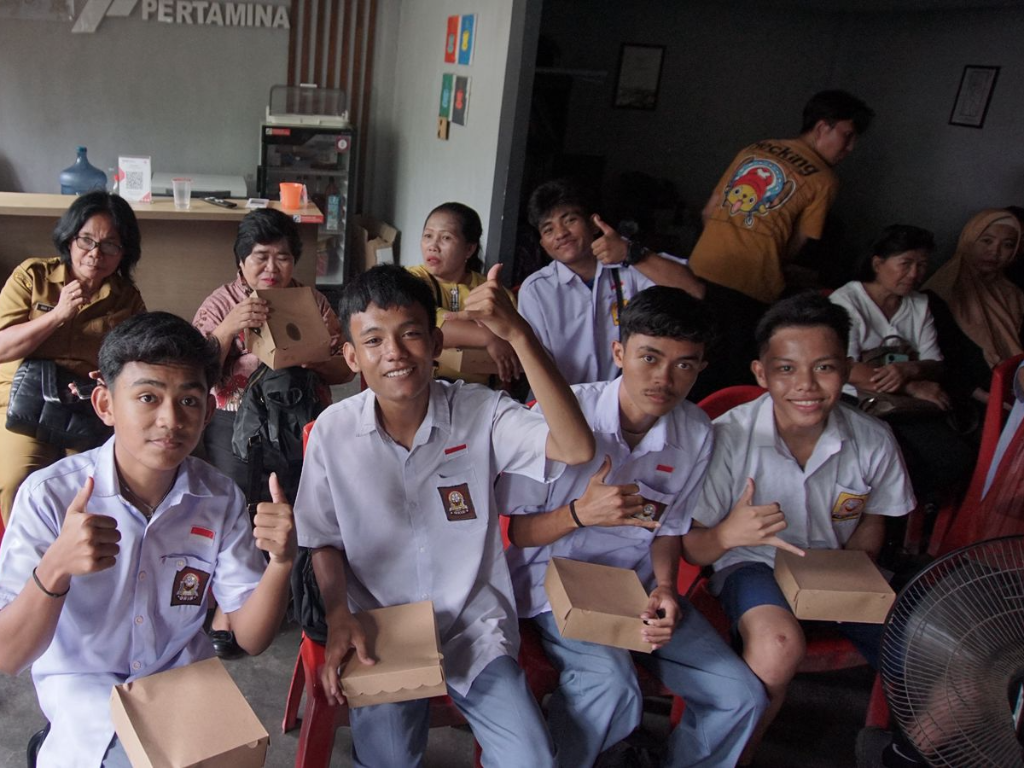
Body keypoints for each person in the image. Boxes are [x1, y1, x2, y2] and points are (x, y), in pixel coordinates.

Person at [293, 264, 595, 767]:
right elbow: (323, 538)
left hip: (471, 623)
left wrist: (518, 334)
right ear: (351, 356)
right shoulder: (333, 432)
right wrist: (339, 613)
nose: (394, 352)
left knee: (532, 758)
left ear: (435, 343)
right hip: (381, 626)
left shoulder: (481, 412)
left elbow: (576, 447)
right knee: (389, 757)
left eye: (410, 334)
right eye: (373, 340)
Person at [0, 312, 296, 767]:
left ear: (208, 411)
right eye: (147, 397)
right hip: (86, 689)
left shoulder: (219, 498)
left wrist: (281, 564)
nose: (170, 420)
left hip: (183, 681)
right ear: (105, 404)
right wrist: (55, 568)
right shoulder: (49, 497)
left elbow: (251, 639)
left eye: (189, 401)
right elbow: (9, 655)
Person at [496, 286, 767, 768]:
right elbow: (516, 532)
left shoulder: (695, 432)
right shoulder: (562, 414)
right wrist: (579, 514)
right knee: (611, 686)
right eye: (649, 357)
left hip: (635, 590)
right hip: (550, 585)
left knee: (740, 695)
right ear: (619, 352)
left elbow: (668, 528)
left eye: (684, 364)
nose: (664, 378)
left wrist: (665, 588)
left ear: (701, 368)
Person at [682, 293, 915, 764]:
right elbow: (692, 548)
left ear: (846, 369)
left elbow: (873, 520)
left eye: (824, 367)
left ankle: (907, 751)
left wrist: (853, 575)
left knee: (933, 648)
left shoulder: (872, 440)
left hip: (837, 571)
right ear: (761, 373)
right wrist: (728, 535)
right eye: (786, 369)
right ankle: (731, 759)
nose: (806, 385)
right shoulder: (727, 439)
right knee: (777, 646)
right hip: (754, 566)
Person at [192, 208, 351, 658]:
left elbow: (345, 368)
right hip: (236, 421)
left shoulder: (312, 302)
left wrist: (314, 357)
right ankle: (232, 607)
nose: (271, 267)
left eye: (282, 257)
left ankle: (298, 595)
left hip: (303, 419)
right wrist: (230, 327)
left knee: (303, 505)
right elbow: (196, 370)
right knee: (238, 509)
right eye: (260, 257)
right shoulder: (222, 301)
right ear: (241, 261)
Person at [686, 90, 874, 397]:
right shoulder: (824, 179)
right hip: (751, 286)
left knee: (691, 360)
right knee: (730, 378)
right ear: (822, 127)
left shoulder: (754, 149)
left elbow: (709, 211)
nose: (850, 147)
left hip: (700, 268)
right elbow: (798, 243)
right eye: (847, 135)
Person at [0, 190, 146, 524]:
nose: (96, 254)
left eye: (110, 245)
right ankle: (28, 556)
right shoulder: (32, 275)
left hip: (83, 405)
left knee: (95, 483)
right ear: (69, 239)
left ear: (123, 253)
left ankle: (84, 554)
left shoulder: (126, 298)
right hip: (23, 401)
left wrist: (107, 379)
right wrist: (57, 315)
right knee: (17, 481)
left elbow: (136, 358)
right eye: (86, 240)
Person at [830, 225, 975, 507]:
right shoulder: (846, 302)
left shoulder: (919, 304)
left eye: (922, 265)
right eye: (905, 264)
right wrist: (911, 385)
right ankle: (882, 513)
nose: (914, 274)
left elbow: (935, 363)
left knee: (956, 457)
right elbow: (845, 368)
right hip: (857, 400)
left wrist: (909, 371)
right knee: (894, 457)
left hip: (904, 404)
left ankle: (902, 510)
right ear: (878, 264)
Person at [517, 178, 704, 387]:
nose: (561, 234)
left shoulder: (630, 266)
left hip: (625, 397)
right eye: (548, 230)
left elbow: (693, 291)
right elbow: (534, 361)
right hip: (565, 397)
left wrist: (630, 252)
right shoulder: (536, 290)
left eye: (569, 220)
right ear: (543, 244)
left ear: (593, 224)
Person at [407, 202, 522, 385]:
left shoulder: (493, 291)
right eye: (428, 236)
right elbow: (423, 322)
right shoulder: (411, 279)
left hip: (482, 393)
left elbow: (516, 346)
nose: (433, 246)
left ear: (469, 249)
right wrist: (490, 337)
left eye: (446, 238)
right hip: (427, 388)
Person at [923, 209, 1024, 380]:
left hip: (1012, 385)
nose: (995, 251)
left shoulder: (1014, 294)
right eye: (986, 241)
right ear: (968, 241)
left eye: (1007, 245)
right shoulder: (940, 291)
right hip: (967, 388)